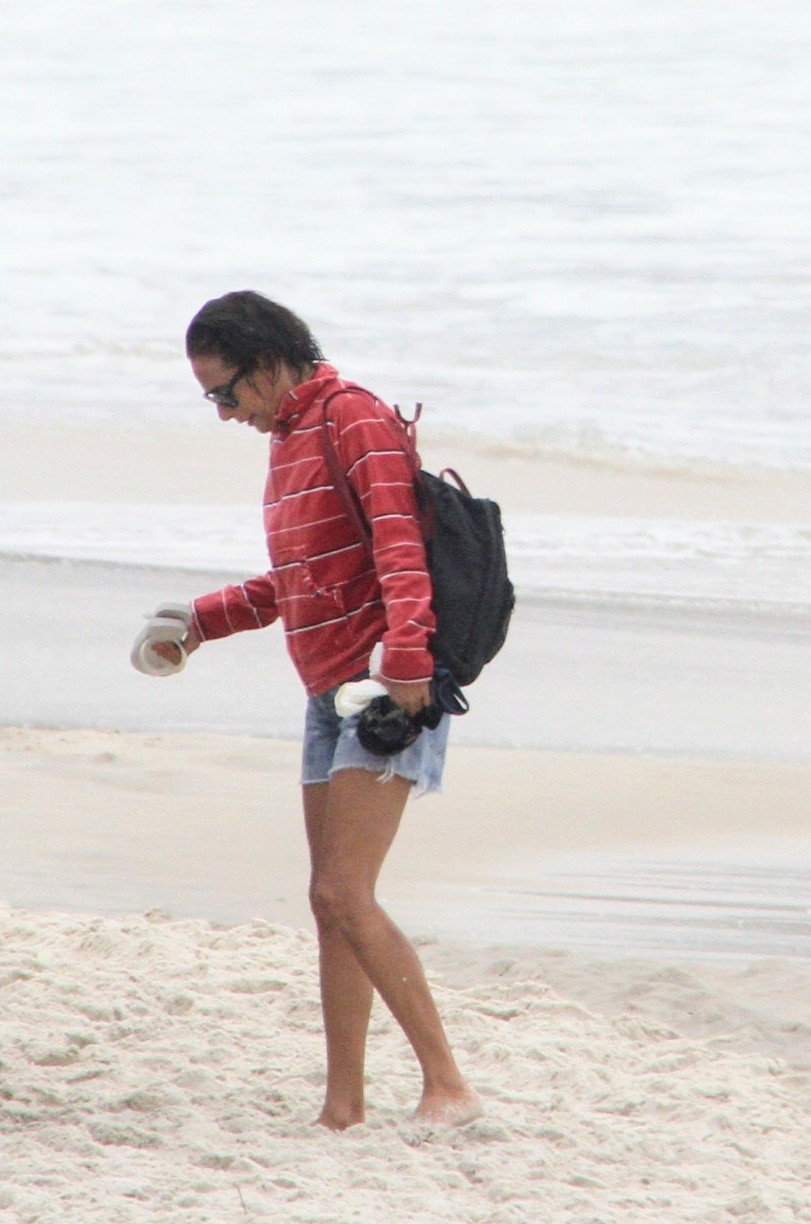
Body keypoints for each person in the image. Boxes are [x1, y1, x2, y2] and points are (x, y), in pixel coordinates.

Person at [148, 290, 481, 1131]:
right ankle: (343, 1105)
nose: (225, 414)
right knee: (328, 901)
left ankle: (447, 1085)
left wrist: (406, 663)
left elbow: (400, 547)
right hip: (325, 689)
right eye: (211, 400)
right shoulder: (291, 438)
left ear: (267, 364)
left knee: (344, 892)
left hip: (386, 688)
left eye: (227, 393)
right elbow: (300, 578)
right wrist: (199, 621)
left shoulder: (351, 418)